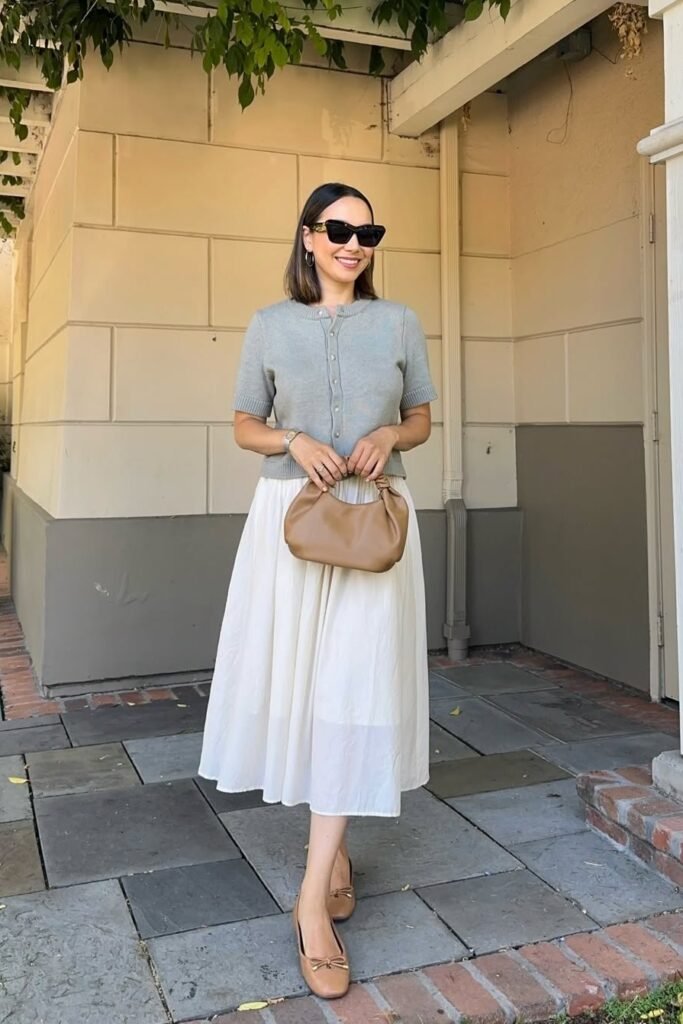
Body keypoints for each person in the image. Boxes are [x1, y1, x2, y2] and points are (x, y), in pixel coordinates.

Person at [198, 181, 438, 999]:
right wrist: (293, 439)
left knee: (351, 689)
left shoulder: (398, 321)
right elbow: (244, 424)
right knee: (301, 688)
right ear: (307, 236)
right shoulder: (270, 325)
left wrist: (388, 432)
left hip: (376, 520)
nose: (353, 244)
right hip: (289, 520)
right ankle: (331, 858)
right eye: (338, 229)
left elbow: (420, 418)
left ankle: (310, 905)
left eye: (367, 232)